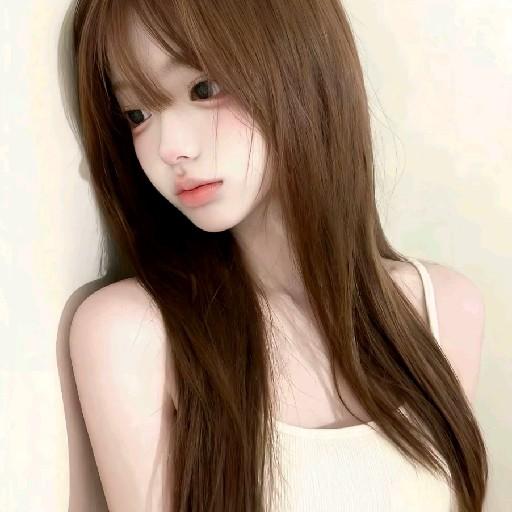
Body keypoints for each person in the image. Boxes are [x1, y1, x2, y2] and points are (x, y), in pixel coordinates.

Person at [66, 1, 488, 510]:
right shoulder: (135, 334)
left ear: (299, 67)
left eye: (204, 89)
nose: (169, 148)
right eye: (137, 115)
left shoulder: (443, 311)